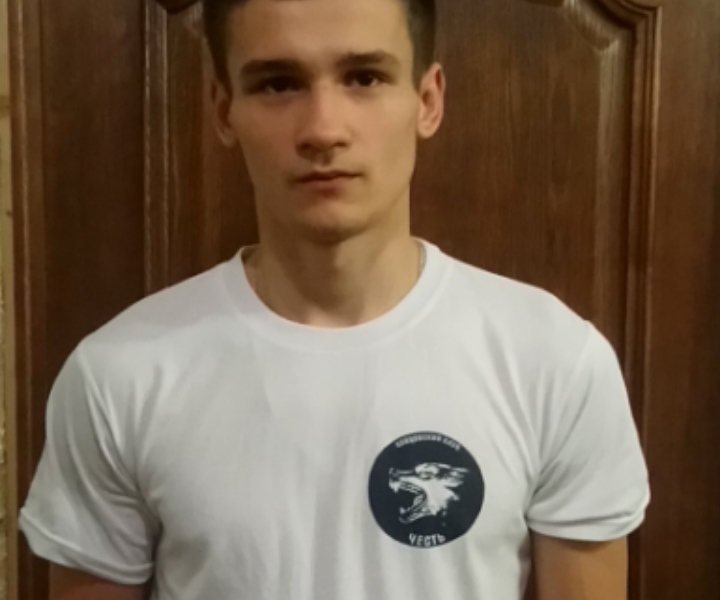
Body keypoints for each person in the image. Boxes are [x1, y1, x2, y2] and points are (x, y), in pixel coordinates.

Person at [19, 0, 650, 598]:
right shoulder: (118, 375)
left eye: (365, 78)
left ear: (427, 100)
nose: (323, 129)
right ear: (223, 110)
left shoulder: (555, 362)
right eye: (278, 84)